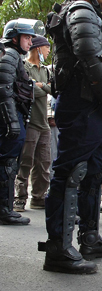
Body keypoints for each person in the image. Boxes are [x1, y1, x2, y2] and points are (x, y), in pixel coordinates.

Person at [39, 0, 102, 274]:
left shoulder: (87, 11)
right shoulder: (80, 9)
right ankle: (59, 248)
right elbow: (93, 63)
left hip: (89, 107)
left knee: (93, 172)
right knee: (71, 173)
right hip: (82, 106)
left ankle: (88, 237)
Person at [0, 18, 40, 225]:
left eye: (31, 37)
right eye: (26, 37)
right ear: (14, 39)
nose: (30, 41)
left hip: (14, 116)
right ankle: (4, 210)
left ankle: (5, 208)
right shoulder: (10, 56)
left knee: (9, 163)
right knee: (7, 164)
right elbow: (4, 90)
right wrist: (12, 121)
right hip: (10, 118)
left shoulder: (14, 56)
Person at [13, 35, 51, 212]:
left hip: (44, 123)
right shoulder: (24, 67)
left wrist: (40, 85)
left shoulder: (46, 69)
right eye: (46, 47)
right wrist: (42, 87)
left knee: (44, 163)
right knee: (25, 161)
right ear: (38, 48)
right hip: (30, 122)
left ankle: (38, 196)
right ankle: (19, 197)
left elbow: (53, 88)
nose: (48, 51)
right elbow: (28, 90)